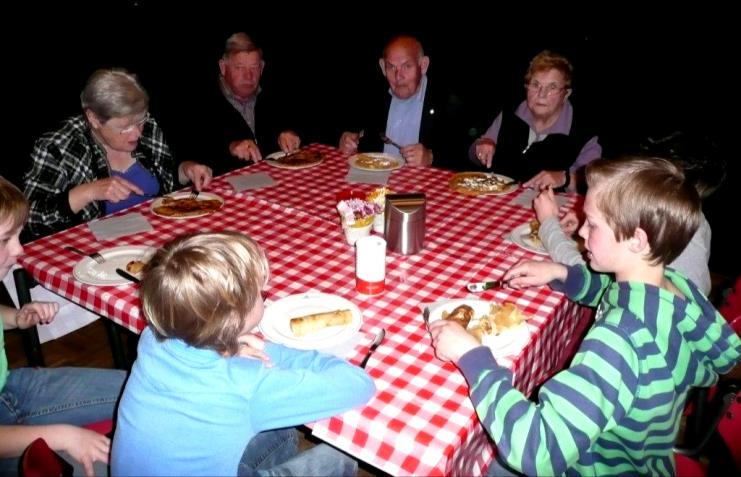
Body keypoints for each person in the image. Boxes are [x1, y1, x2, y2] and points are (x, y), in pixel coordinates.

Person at [429, 156, 741, 475]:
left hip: (601, 466)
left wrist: (473, 356)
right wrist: (563, 274)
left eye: (592, 224)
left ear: (637, 239)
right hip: (648, 458)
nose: (580, 230)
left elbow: (537, 449)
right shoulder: (678, 289)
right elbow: (617, 293)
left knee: (484, 460)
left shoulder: (619, 339)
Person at [111, 231, 375, 476]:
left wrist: (230, 345)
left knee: (280, 431)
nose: (263, 296)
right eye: (260, 293)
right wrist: (266, 348)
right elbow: (359, 384)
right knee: (339, 458)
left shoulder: (151, 339)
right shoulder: (246, 386)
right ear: (233, 319)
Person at [0, 177, 126, 477]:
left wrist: (15, 317)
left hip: (10, 388)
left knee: (139, 392)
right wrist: (65, 436)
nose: (19, 251)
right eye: (5, 239)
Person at [23, 68, 212, 240]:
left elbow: (166, 179)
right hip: (93, 253)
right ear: (94, 119)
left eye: (140, 120)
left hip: (159, 236)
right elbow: (30, 219)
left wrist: (186, 170)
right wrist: (89, 191)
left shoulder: (147, 126)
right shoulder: (58, 146)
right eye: (125, 127)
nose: (137, 132)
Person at [533, 131, 726, 295]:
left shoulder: (642, 298)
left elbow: (595, 280)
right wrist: (596, 220)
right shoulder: (692, 217)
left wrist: (549, 223)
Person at [470, 50, 601, 191]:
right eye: (535, 84)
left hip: (550, 208)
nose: (542, 94)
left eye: (552, 87)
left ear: (566, 94)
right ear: (526, 87)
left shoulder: (583, 134)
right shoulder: (509, 114)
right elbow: (475, 155)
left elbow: (594, 184)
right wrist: (481, 147)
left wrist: (565, 178)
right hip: (498, 200)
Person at [176, 32, 302, 177]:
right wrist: (230, 147)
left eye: (254, 67)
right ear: (223, 67)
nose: (248, 76)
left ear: (262, 68)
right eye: (240, 67)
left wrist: (289, 133)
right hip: (223, 191)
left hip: (277, 183)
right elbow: (186, 158)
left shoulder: (274, 97)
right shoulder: (197, 103)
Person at [338, 35, 469, 168]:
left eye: (406, 66)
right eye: (391, 67)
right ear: (383, 67)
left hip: (423, 185)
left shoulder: (446, 102)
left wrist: (431, 157)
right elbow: (356, 134)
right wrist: (349, 141)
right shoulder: (372, 97)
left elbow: (465, 152)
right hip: (377, 183)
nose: (398, 76)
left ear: (423, 66)